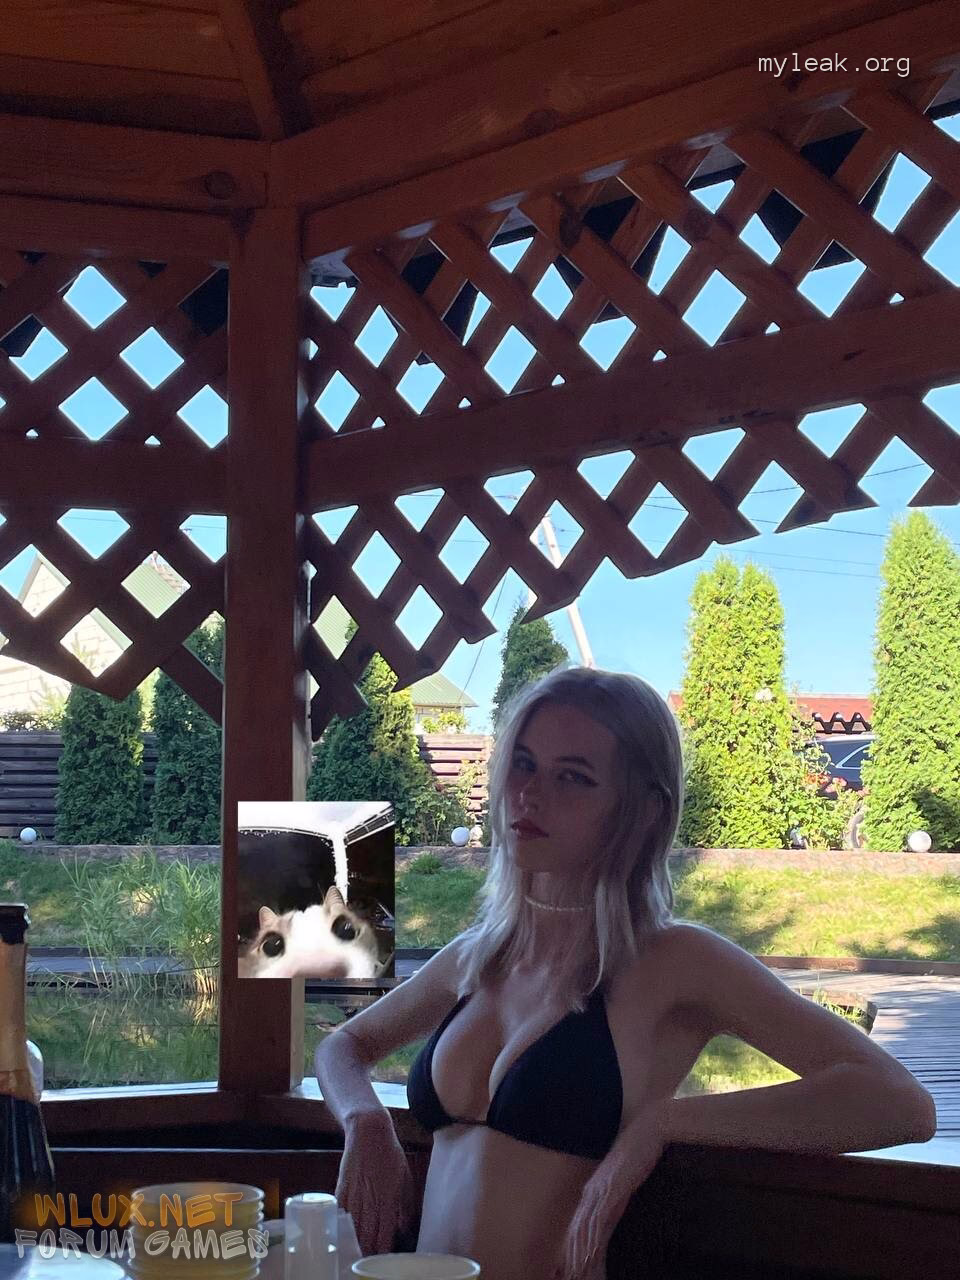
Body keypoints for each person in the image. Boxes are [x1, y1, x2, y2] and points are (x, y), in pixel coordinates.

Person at [314, 667, 936, 1280]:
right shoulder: (478, 956)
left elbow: (897, 1101)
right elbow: (344, 1046)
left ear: (641, 810)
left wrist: (661, 1125)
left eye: (573, 776)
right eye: (524, 764)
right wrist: (365, 1121)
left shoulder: (675, 961)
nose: (530, 793)